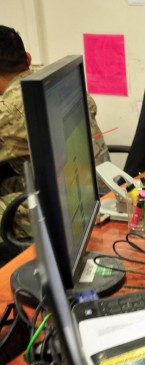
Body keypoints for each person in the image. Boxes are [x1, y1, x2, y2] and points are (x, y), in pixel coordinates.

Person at [0, 25, 110, 243]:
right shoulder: (52, 78)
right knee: (6, 184)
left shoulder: (7, 111)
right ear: (29, 59)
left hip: (69, 208)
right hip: (97, 187)